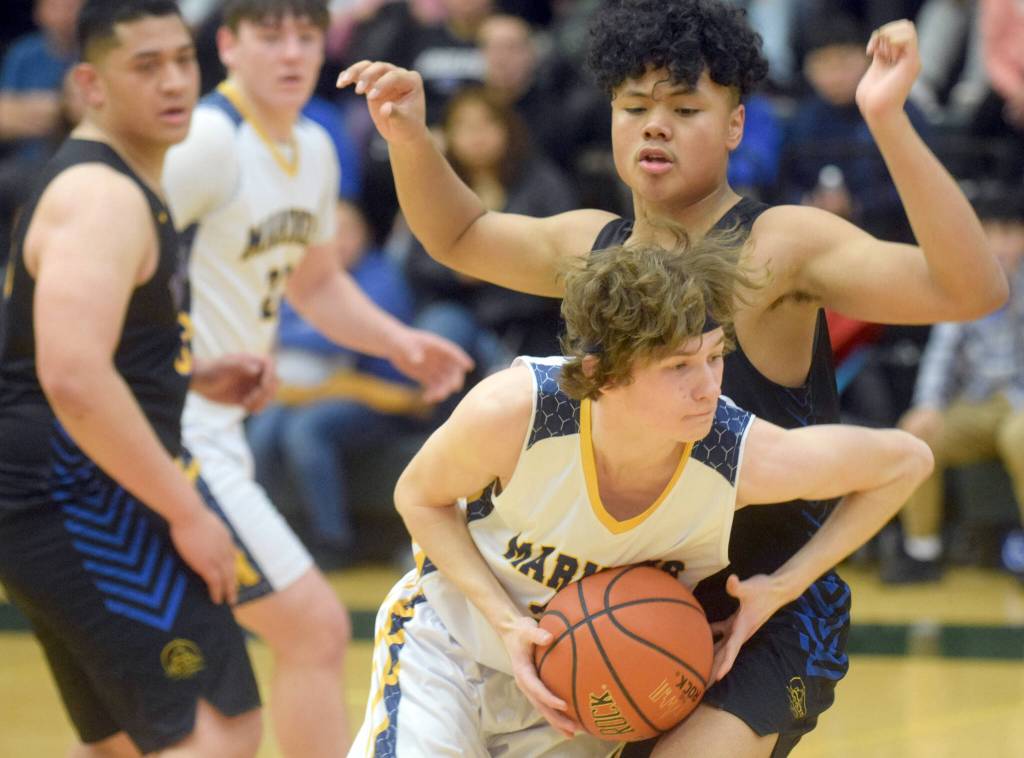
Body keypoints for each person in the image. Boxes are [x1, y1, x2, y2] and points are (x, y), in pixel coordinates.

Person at [337, 1, 1006, 754]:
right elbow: (459, 234)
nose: (655, 126)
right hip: (628, 598)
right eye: (635, 108)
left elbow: (971, 289)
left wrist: (888, 120)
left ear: (736, 125)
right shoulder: (595, 250)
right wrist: (409, 139)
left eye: (685, 109)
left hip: (767, 603)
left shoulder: (777, 246)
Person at [347, 236, 933, 757]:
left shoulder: (736, 456)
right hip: (450, 649)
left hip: (579, 697)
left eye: (714, 357)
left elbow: (907, 462)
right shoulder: (519, 412)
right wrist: (505, 622)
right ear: (603, 373)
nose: (708, 388)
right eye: (679, 367)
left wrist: (784, 585)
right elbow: (418, 496)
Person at [161, 2, 474, 755]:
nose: (291, 53)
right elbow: (118, 262)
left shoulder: (315, 144)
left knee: (179, 703)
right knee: (313, 629)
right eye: (270, 36)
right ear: (228, 44)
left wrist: (399, 342)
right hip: (169, 429)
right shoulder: (205, 140)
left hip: (219, 426)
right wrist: (184, 364)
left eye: (305, 36)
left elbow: (315, 283)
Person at [0, 1, 272, 755]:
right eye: (146, 66)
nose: (175, 81)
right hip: (76, 501)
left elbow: (70, 352)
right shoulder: (103, 197)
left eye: (182, 60)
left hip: (56, 501)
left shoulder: (117, 183)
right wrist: (188, 513)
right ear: (90, 85)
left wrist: (191, 373)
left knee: (125, 744)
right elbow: (72, 377)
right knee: (216, 731)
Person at [883, 186, 1024, 584]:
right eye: (990, 233)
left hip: (1019, 406)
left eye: (1009, 232)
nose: (1000, 244)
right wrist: (927, 405)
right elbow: (940, 355)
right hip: (973, 404)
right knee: (916, 437)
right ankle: (921, 551)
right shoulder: (964, 285)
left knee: (1020, 436)